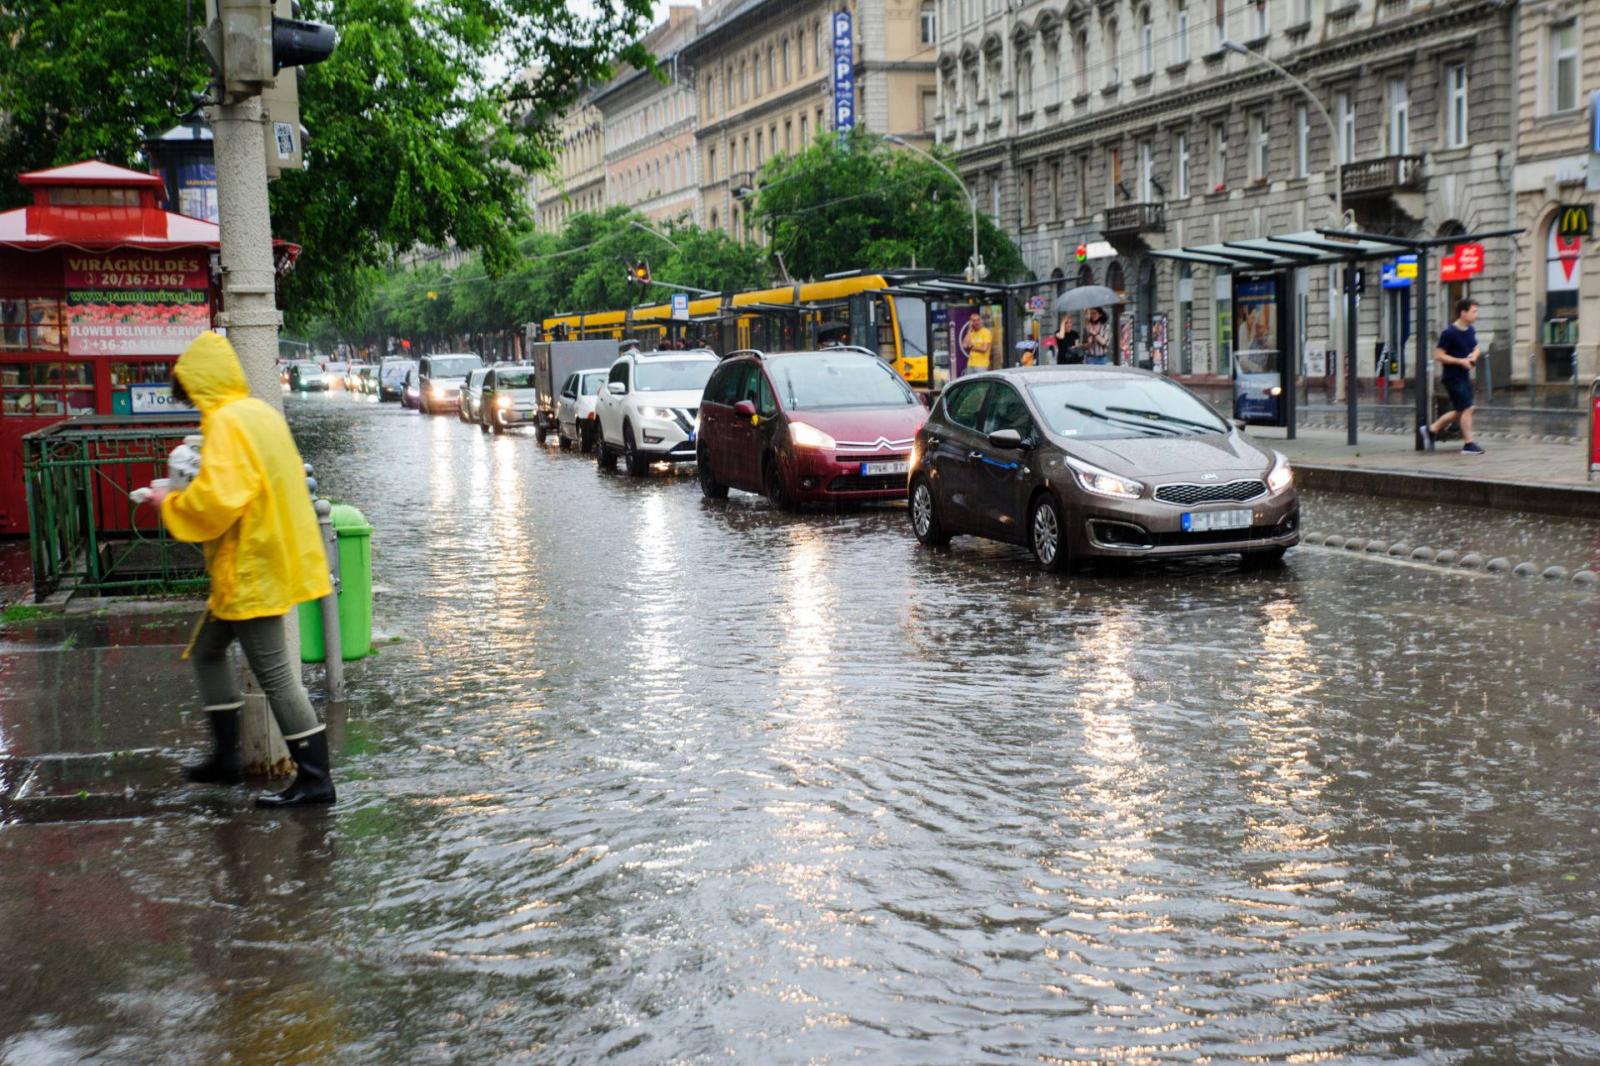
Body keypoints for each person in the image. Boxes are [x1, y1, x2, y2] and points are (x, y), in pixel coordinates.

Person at [149, 332, 338, 808]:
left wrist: (168, 502)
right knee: (208, 652)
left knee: (275, 676)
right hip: (259, 560)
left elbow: (217, 501)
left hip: (250, 568)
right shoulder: (257, 413)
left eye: (189, 392)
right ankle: (227, 760)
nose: (189, 402)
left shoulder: (227, 423)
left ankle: (316, 781)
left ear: (201, 385)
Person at [1419, 298, 1483, 455]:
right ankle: (1468, 444)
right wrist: (1460, 361)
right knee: (1467, 408)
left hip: (1464, 375)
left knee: (1463, 409)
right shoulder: (1449, 333)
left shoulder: (1470, 330)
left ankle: (1431, 430)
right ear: (1463, 313)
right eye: (1474, 311)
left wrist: (1473, 357)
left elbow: (1476, 348)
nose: (1476, 315)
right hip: (1452, 377)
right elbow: (1438, 355)